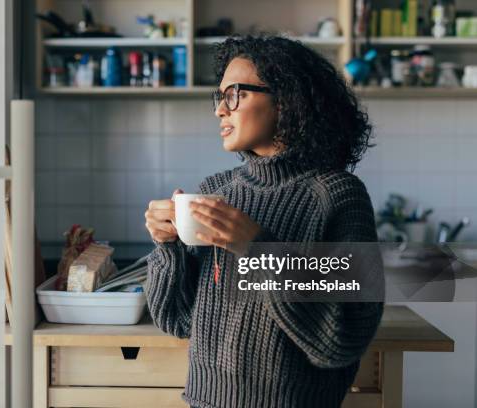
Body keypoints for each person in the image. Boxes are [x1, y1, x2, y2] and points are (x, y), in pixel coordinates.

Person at [143, 34, 384, 408]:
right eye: (219, 97)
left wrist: (257, 247)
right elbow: (177, 319)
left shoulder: (337, 196)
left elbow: (344, 338)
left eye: (234, 94)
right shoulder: (216, 190)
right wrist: (167, 247)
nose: (220, 110)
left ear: (286, 100)